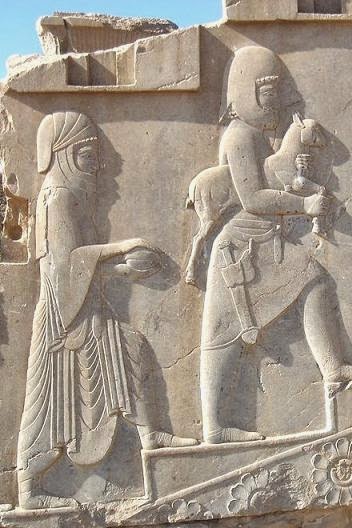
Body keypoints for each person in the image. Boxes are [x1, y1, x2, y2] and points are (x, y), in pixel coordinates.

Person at [200, 46, 352, 445]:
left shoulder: (258, 136)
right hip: (241, 246)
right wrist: (304, 205)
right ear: (245, 93)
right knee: (223, 334)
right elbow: (253, 198)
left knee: (314, 280)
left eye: (277, 94)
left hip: (266, 241)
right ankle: (214, 427)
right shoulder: (239, 136)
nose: (275, 103)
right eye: (267, 93)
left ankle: (333, 369)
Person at [17, 111, 197, 510]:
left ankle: (150, 434)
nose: (95, 166)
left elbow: (78, 266)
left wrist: (123, 270)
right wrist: (122, 249)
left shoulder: (71, 196)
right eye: (86, 155)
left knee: (128, 348)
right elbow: (65, 265)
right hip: (62, 318)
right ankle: (28, 488)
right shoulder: (58, 197)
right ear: (63, 155)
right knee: (48, 403)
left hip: (82, 307)